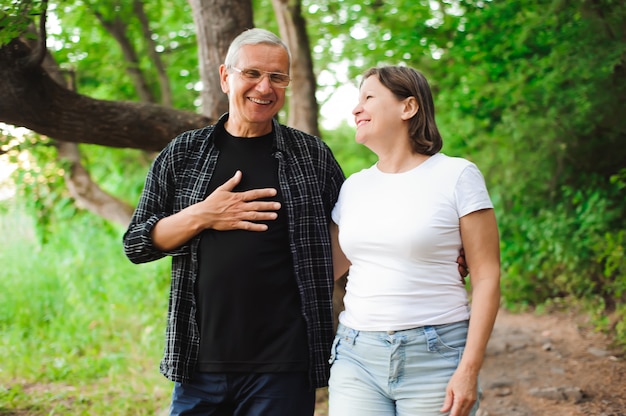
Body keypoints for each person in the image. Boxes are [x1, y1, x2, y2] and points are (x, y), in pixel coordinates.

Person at [122, 28, 345, 415]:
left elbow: (361, 227)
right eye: (252, 74)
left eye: (278, 77)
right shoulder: (184, 153)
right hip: (199, 363)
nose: (265, 87)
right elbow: (137, 244)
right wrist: (203, 214)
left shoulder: (311, 155)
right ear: (226, 76)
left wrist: (444, 252)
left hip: (284, 366)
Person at [328, 66, 501, 416]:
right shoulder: (353, 187)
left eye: (369, 98)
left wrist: (468, 369)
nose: (356, 109)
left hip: (436, 354)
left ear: (408, 108)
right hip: (356, 354)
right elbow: (323, 268)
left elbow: (487, 276)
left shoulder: (457, 176)